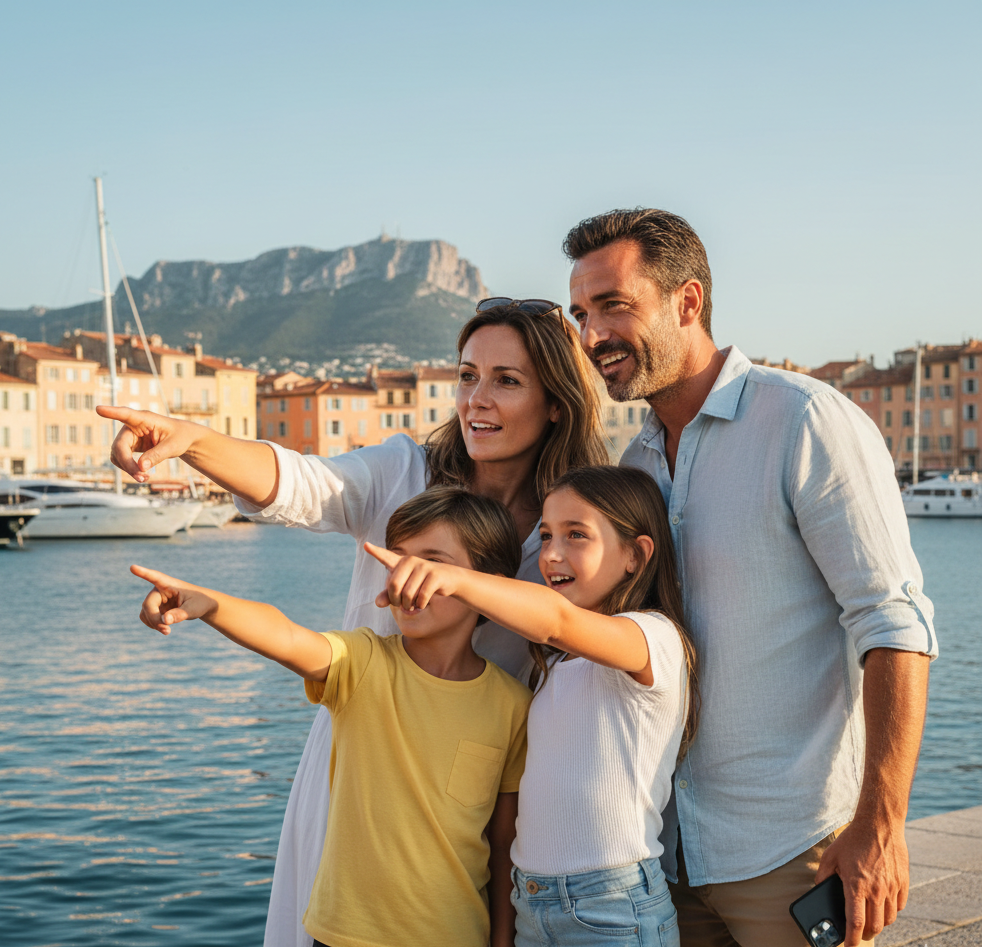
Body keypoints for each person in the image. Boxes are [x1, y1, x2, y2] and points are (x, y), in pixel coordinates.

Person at [97, 299, 608, 947]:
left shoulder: (569, 527)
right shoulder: (404, 472)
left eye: (507, 380)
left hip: (484, 783)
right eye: (467, 375)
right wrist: (191, 440)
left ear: (556, 401)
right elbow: (303, 483)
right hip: (363, 780)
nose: (477, 399)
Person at [562, 208, 937, 947]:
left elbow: (893, 622)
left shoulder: (804, 421)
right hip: (666, 859)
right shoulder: (634, 466)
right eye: (580, 312)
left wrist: (880, 825)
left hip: (793, 853)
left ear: (688, 302)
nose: (592, 334)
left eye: (613, 306)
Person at [130, 486, 533, 947]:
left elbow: (503, 849)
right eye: (397, 560)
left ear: (489, 583)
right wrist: (208, 603)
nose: (405, 579)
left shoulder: (513, 706)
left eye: (431, 564)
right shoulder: (362, 663)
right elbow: (284, 634)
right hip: (342, 938)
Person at [366, 464, 698, 947]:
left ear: (635, 554)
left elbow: (555, 621)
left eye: (576, 535)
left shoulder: (654, 639)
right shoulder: (557, 667)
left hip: (611, 910)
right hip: (533, 904)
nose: (553, 554)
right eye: (545, 536)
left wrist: (453, 578)